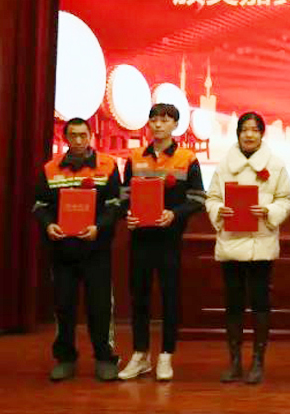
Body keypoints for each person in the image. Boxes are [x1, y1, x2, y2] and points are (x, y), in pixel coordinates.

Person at [117, 103, 206, 381]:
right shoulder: (135, 157)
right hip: (140, 238)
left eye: (165, 120)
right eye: (154, 119)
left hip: (169, 239)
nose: (158, 125)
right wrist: (128, 213)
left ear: (175, 125)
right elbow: (124, 196)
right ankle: (140, 354)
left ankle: (166, 355)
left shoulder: (187, 158)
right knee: (139, 296)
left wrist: (174, 214)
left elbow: (198, 199)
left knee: (169, 297)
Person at [205, 111, 290, 384]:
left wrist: (268, 211)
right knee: (233, 305)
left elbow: (286, 199)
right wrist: (220, 210)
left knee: (260, 304)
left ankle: (258, 361)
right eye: (244, 129)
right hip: (231, 243)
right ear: (238, 133)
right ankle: (234, 362)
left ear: (262, 134)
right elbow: (212, 198)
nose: (249, 134)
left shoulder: (275, 165)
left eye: (255, 129)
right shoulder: (224, 165)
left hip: (261, 245)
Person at [33, 117, 122, 381]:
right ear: (66, 138)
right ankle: (65, 358)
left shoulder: (107, 165)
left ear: (91, 136)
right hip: (62, 250)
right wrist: (49, 225)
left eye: (83, 135)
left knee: (100, 306)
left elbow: (115, 205)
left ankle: (104, 358)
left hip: (96, 249)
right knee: (63, 306)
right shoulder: (50, 169)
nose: (79, 140)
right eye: (73, 135)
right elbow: (40, 206)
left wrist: (99, 227)